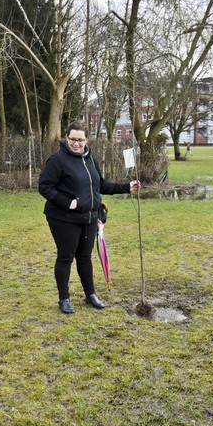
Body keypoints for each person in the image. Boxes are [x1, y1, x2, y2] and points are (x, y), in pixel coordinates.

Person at [38, 121, 140, 314]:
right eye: (72, 139)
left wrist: (127, 186)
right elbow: (44, 187)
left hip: (90, 217)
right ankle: (64, 299)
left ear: (87, 140)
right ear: (66, 138)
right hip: (64, 218)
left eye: (80, 140)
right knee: (66, 257)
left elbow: (101, 185)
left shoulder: (90, 159)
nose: (76, 144)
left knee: (85, 257)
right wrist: (67, 202)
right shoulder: (57, 160)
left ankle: (90, 294)